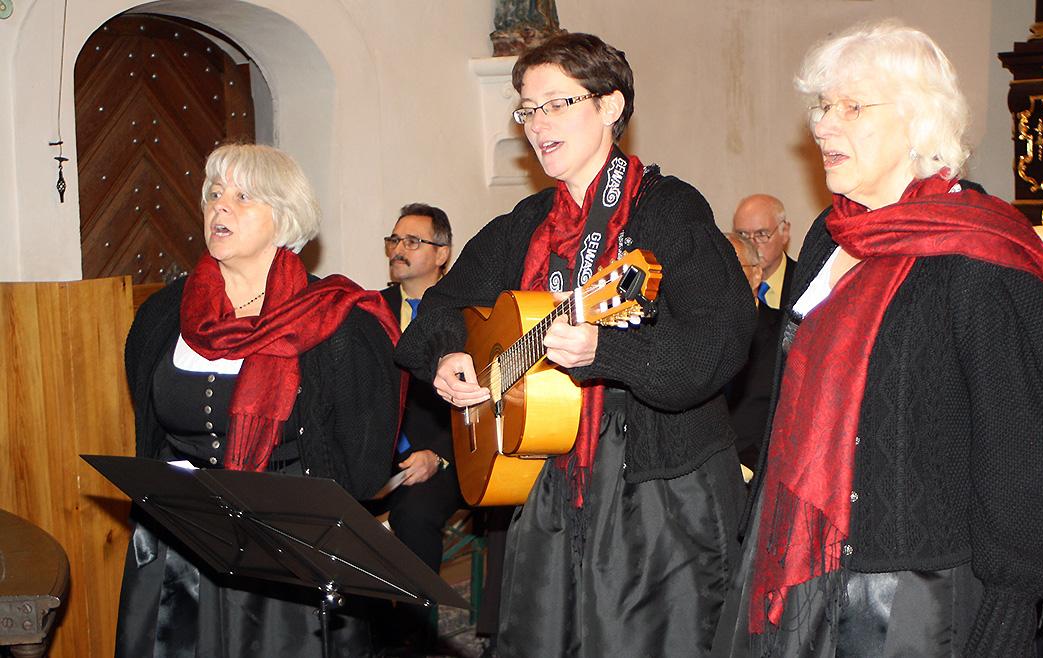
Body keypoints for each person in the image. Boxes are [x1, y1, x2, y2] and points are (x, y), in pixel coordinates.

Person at [712, 21, 1043, 657]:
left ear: (919, 121)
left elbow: (1029, 453)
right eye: (823, 106)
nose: (824, 126)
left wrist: (1009, 612)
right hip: (798, 563)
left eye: (852, 107)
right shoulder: (829, 240)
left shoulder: (982, 258)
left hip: (913, 594)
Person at [394, 32, 755, 657]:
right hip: (550, 480)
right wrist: (449, 357)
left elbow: (720, 344)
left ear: (610, 106)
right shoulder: (525, 224)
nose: (537, 125)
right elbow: (437, 314)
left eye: (556, 103)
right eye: (527, 109)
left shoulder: (668, 210)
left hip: (660, 493)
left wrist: (607, 353)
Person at [116, 143, 403, 657]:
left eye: (243, 196)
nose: (220, 206)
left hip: (289, 544)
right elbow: (151, 435)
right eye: (214, 193)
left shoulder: (339, 323)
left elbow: (362, 467)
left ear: (285, 217)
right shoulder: (162, 315)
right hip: (178, 542)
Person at [377, 203, 463, 653]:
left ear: (442, 253)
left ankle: (412, 637)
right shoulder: (372, 311)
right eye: (394, 240)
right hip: (383, 453)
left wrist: (439, 456)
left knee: (413, 511)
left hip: (448, 454)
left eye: (413, 241)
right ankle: (361, 629)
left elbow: (482, 403)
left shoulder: (463, 313)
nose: (398, 250)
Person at [726, 194, 794, 469]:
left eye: (761, 234)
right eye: (742, 233)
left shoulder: (806, 288)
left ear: (784, 231)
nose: (751, 243)